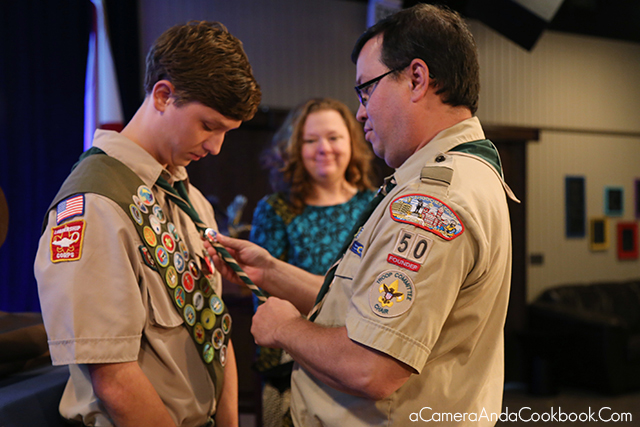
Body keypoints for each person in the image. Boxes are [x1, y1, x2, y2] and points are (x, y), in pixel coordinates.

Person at [207, 4, 518, 427]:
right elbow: (363, 304)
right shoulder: (453, 175)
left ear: (417, 78)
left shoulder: (432, 200)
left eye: (366, 90)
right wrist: (271, 271)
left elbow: (372, 368)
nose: (361, 112)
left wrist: (284, 329)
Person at [34, 21, 261, 427]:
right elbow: (114, 378)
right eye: (208, 125)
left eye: (226, 132)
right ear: (162, 95)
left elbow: (215, 332)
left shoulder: (189, 199)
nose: (216, 147)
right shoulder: (97, 203)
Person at [249, 98, 376, 426]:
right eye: (310, 140)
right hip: (289, 366)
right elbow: (264, 296)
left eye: (334, 138)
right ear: (295, 148)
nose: (324, 148)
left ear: (351, 143)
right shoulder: (274, 209)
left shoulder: (376, 205)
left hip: (359, 357)